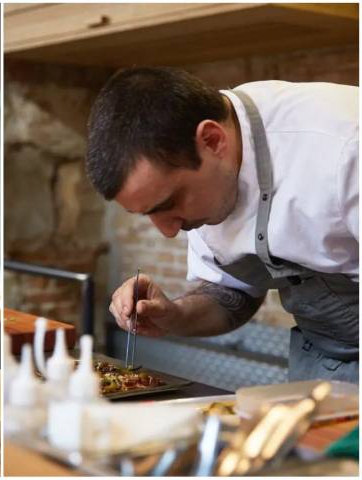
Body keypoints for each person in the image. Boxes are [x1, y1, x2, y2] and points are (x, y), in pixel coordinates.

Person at [86, 67, 358, 383]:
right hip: (323, 361)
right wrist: (173, 315)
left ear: (212, 140)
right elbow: (231, 295)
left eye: (169, 203)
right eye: (148, 214)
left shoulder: (344, 146)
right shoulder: (210, 177)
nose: (169, 230)